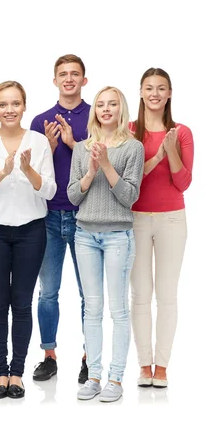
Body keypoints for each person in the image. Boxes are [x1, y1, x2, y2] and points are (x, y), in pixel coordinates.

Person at [0, 81, 56, 399]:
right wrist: (3, 173)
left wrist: (28, 169)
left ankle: (17, 373)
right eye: (3, 104)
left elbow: (49, 190)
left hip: (31, 232)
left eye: (15, 103)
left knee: (21, 304)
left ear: (24, 105)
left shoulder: (39, 142)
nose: (9, 110)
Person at [67, 86, 144, 402]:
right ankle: (94, 376)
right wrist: (90, 171)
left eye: (113, 104)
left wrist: (108, 165)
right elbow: (74, 196)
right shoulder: (82, 149)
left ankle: (115, 379)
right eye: (101, 104)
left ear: (121, 109)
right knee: (92, 309)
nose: (106, 108)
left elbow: (129, 197)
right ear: (95, 110)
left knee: (118, 308)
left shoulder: (133, 148)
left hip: (117, 237)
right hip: (85, 235)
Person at [130, 68, 194, 388]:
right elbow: (128, 183)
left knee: (167, 295)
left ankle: (163, 366)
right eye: (149, 87)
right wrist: (157, 156)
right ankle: (144, 365)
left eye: (161, 88)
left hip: (171, 220)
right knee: (140, 295)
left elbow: (183, 183)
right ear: (140, 92)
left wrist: (171, 152)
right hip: (136, 220)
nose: (155, 93)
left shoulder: (181, 133)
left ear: (169, 94)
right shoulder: (129, 131)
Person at [30, 54, 90, 383]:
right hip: (48, 217)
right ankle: (49, 355)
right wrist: (49, 149)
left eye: (75, 74)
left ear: (84, 80)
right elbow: (30, 174)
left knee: (88, 293)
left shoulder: (97, 116)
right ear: (54, 80)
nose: (68, 79)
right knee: (48, 291)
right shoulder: (40, 121)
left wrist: (73, 143)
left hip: (86, 217)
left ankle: (87, 355)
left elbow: (103, 162)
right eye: (62, 74)